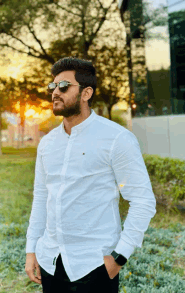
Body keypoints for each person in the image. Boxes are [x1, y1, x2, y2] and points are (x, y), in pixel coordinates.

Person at [25, 57, 156, 293]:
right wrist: (32, 249)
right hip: (51, 262)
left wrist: (119, 258)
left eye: (64, 86)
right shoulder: (47, 144)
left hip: (95, 266)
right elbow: (41, 198)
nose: (55, 92)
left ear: (86, 93)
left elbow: (143, 201)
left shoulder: (116, 139)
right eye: (52, 87)